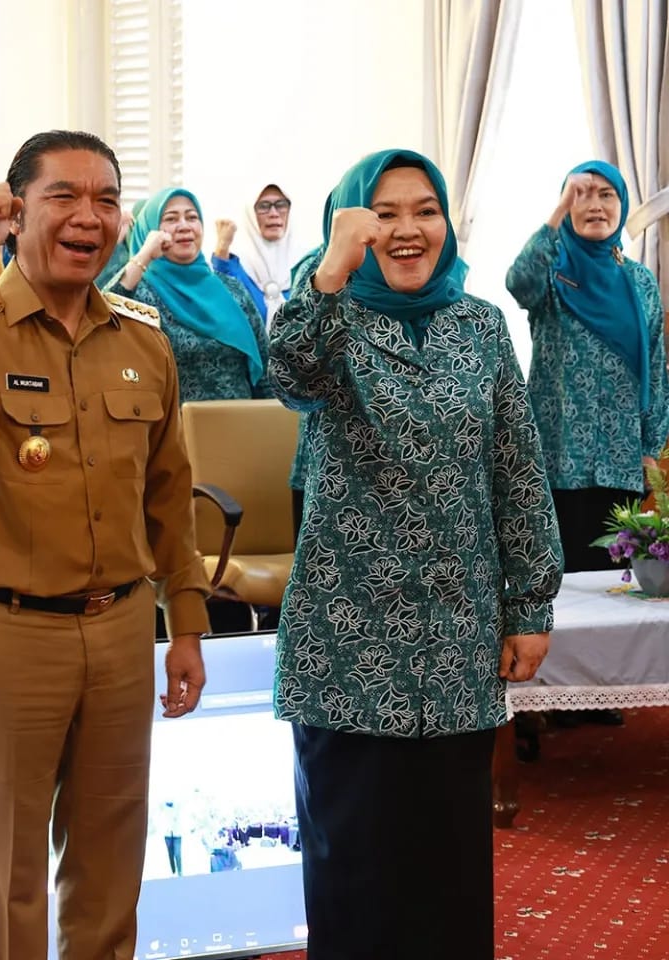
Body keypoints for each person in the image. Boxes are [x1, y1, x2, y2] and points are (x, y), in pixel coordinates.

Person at [0, 131, 211, 960]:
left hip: (122, 628)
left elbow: (169, 493)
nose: (87, 217)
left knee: (109, 861)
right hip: (2, 630)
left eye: (105, 200)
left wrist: (190, 624)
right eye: (63, 196)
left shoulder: (142, 338)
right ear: (16, 209)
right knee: (5, 869)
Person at [267, 148, 563, 960]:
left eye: (424, 210)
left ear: (446, 223)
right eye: (384, 212)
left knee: (450, 873)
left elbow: (517, 470)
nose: (406, 229)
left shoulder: (480, 325)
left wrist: (531, 606)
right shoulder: (329, 317)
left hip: (459, 645)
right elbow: (288, 374)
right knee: (356, 870)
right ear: (352, 223)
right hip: (349, 648)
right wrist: (330, 269)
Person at [506, 161, 669, 574]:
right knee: (554, 583)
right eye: (581, 194)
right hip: (556, 459)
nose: (594, 205)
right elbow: (517, 281)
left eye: (606, 194)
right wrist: (557, 212)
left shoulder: (639, 281)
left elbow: (655, 366)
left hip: (621, 458)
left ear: (622, 204)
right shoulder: (551, 274)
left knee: (611, 586)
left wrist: (651, 448)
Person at [109, 188, 270, 401]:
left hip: (242, 428)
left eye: (192, 217)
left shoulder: (231, 289)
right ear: (150, 230)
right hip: (172, 430)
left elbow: (266, 369)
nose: (184, 226)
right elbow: (104, 317)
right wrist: (145, 254)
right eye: (171, 219)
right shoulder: (141, 294)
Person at [213, 183, 308, 322]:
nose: (274, 213)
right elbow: (220, 295)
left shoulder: (305, 265)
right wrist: (222, 245)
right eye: (263, 206)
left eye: (281, 205)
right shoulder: (236, 266)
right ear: (250, 214)